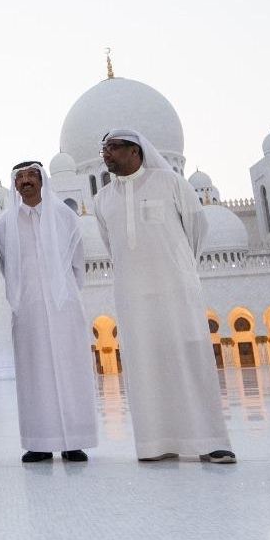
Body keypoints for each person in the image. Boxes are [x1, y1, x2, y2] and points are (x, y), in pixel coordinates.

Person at [92, 130, 236, 464]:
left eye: (113, 148)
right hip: (132, 294)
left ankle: (211, 441)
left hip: (175, 290)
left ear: (135, 151)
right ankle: (154, 442)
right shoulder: (103, 200)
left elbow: (198, 228)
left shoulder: (170, 184)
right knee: (144, 363)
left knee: (190, 359)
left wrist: (179, 268)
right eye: (104, 149)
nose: (106, 154)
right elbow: (112, 244)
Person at [0, 161, 98, 464]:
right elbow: (5, 264)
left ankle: (73, 441)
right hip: (29, 310)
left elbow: (77, 263)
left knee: (70, 371)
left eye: (31, 176)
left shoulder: (64, 217)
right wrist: (24, 297)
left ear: (42, 179)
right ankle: (39, 442)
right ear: (15, 184)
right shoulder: (5, 224)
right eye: (20, 177)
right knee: (34, 372)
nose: (25, 181)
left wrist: (64, 295)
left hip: (63, 306)